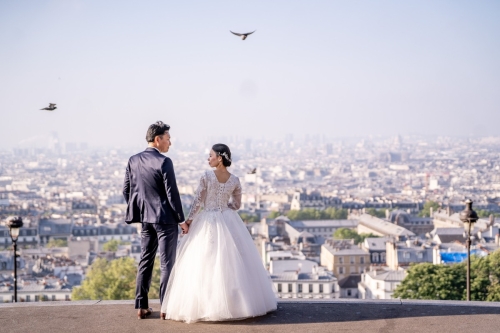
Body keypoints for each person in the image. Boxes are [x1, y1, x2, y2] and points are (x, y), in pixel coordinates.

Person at [161, 143, 277, 323]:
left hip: (207, 219)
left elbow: (198, 201)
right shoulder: (235, 180)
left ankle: (207, 305)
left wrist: (189, 221)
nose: (208, 159)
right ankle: (236, 304)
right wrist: (226, 209)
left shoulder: (207, 176)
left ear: (220, 158)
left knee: (204, 263)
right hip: (227, 219)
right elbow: (237, 205)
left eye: (210, 155)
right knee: (231, 263)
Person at [123, 121, 189, 320]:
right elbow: (172, 194)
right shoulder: (164, 162)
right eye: (168, 139)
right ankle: (165, 307)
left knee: (145, 260)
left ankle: (141, 306)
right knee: (167, 263)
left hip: (145, 220)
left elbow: (127, 190)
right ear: (158, 139)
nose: (170, 143)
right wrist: (181, 220)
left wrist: (141, 209)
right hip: (165, 220)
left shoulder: (133, 160)